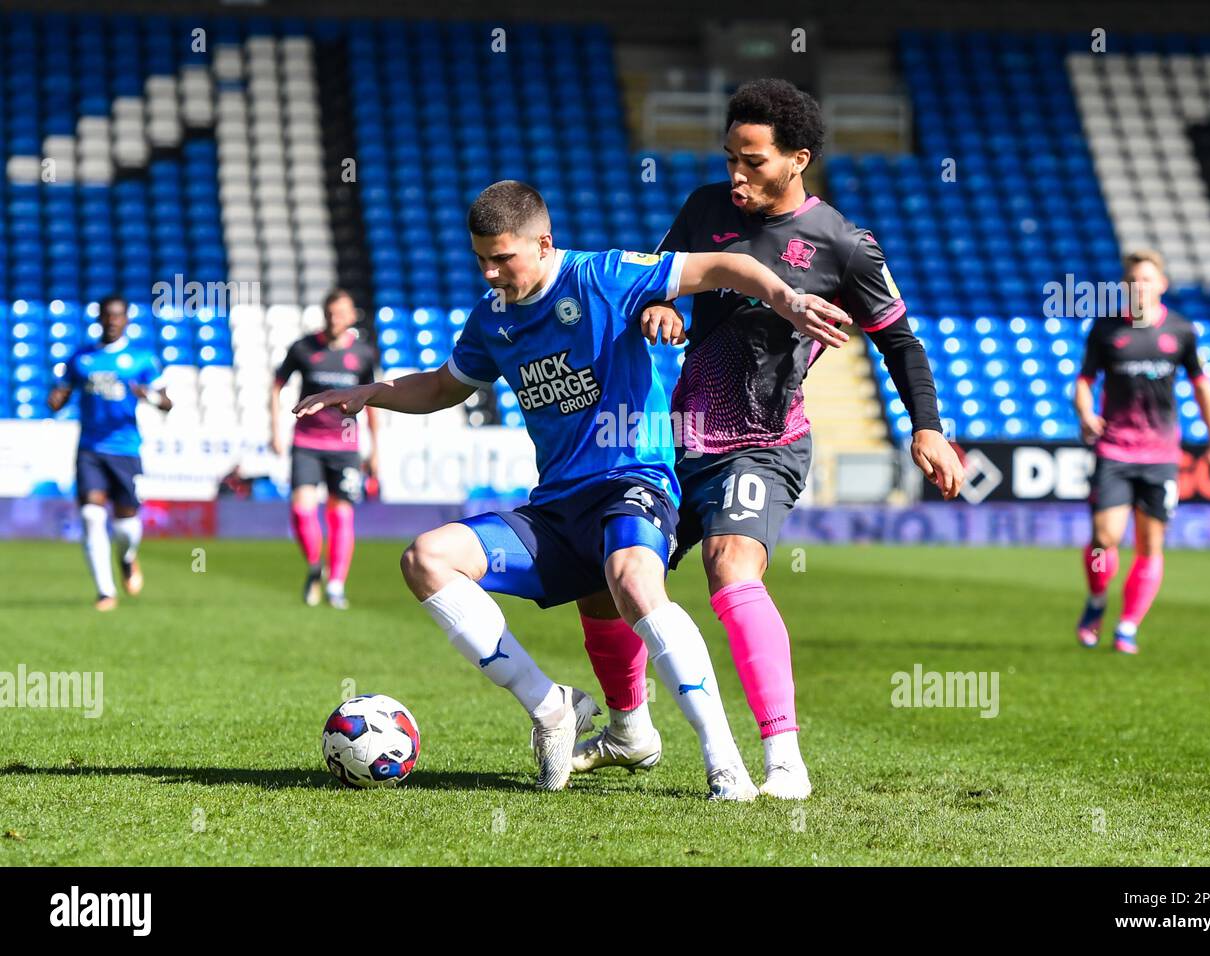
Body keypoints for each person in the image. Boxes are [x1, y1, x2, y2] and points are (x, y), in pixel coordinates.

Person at [293, 179, 850, 797]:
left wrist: (785, 297)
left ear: (544, 243)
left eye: (501, 257)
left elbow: (726, 264)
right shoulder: (493, 319)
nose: (489, 272)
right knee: (425, 559)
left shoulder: (604, 276)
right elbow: (443, 386)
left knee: (634, 579)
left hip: (632, 483)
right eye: (480, 257)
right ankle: (552, 707)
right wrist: (370, 393)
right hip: (558, 506)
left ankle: (725, 764)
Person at [574, 79, 964, 799]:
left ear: (798, 160)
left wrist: (928, 429)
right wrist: (663, 311)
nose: (736, 174)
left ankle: (783, 757)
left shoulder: (844, 246)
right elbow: (655, 286)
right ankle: (630, 730)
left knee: (730, 568)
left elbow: (900, 342)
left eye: (752, 160)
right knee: (606, 586)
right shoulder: (702, 209)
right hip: (677, 438)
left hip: (764, 440)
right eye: (730, 157)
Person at [1074, 249, 1210, 654]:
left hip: (1160, 455)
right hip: (1115, 450)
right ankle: (1096, 601)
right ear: (1125, 287)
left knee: (1150, 543)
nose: (1139, 287)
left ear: (1162, 284)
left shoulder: (1181, 330)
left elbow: (1202, 388)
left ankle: (1127, 626)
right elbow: (1084, 381)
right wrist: (1086, 414)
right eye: (1133, 281)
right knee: (1104, 538)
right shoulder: (1106, 330)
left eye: (1147, 280)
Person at [47, 295, 173, 611]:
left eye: (119, 316)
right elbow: (61, 392)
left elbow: (168, 402)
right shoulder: (81, 358)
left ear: (127, 320)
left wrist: (150, 398)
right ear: (100, 319)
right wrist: (57, 399)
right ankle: (106, 592)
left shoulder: (142, 359)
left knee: (126, 522)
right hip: (90, 447)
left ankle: (127, 557)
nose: (113, 321)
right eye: (108, 316)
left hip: (125, 449)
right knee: (91, 515)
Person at [270, 289, 381, 609]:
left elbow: (373, 401)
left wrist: (375, 450)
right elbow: (277, 384)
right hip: (306, 442)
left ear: (351, 316)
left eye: (340, 313)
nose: (335, 319)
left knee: (341, 513)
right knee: (301, 508)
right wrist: (275, 429)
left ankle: (335, 584)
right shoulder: (303, 348)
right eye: (330, 313)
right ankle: (314, 564)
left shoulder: (362, 354)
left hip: (346, 445)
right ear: (324, 314)